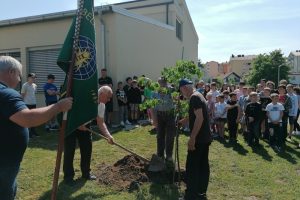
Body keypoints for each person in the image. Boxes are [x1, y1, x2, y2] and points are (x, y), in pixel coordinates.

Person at [0, 56, 73, 199]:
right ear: (11, 72)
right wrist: (59, 106)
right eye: (19, 75)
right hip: (4, 162)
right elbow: (28, 118)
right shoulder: (6, 94)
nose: (20, 79)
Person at [63, 86, 114, 184]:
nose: (109, 100)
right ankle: (68, 177)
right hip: (71, 123)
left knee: (87, 148)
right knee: (70, 150)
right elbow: (74, 108)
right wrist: (77, 123)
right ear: (101, 94)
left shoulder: (102, 105)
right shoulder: (87, 98)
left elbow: (101, 122)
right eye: (108, 97)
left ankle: (86, 173)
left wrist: (108, 136)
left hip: (85, 126)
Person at [179, 79, 212, 200]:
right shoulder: (199, 95)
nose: (182, 94)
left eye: (181, 91)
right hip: (205, 137)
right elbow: (196, 114)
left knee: (192, 166)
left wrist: (192, 138)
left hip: (199, 139)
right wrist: (185, 120)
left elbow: (200, 118)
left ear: (184, 88)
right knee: (203, 165)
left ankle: (191, 195)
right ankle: (200, 192)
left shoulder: (194, 98)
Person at [152, 77, 175, 162]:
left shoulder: (171, 90)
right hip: (159, 115)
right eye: (159, 83)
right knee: (159, 135)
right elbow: (152, 106)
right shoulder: (155, 92)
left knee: (170, 136)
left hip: (170, 115)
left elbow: (177, 99)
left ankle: (169, 155)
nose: (161, 85)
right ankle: (160, 154)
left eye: (163, 83)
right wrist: (154, 119)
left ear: (166, 83)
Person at [21, 73, 38, 138]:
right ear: (28, 78)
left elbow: (33, 94)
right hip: (26, 104)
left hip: (33, 103)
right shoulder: (25, 85)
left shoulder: (35, 85)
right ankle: (28, 133)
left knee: (33, 118)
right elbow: (22, 95)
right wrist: (21, 103)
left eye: (34, 78)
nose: (34, 79)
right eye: (32, 77)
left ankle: (33, 131)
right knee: (27, 118)